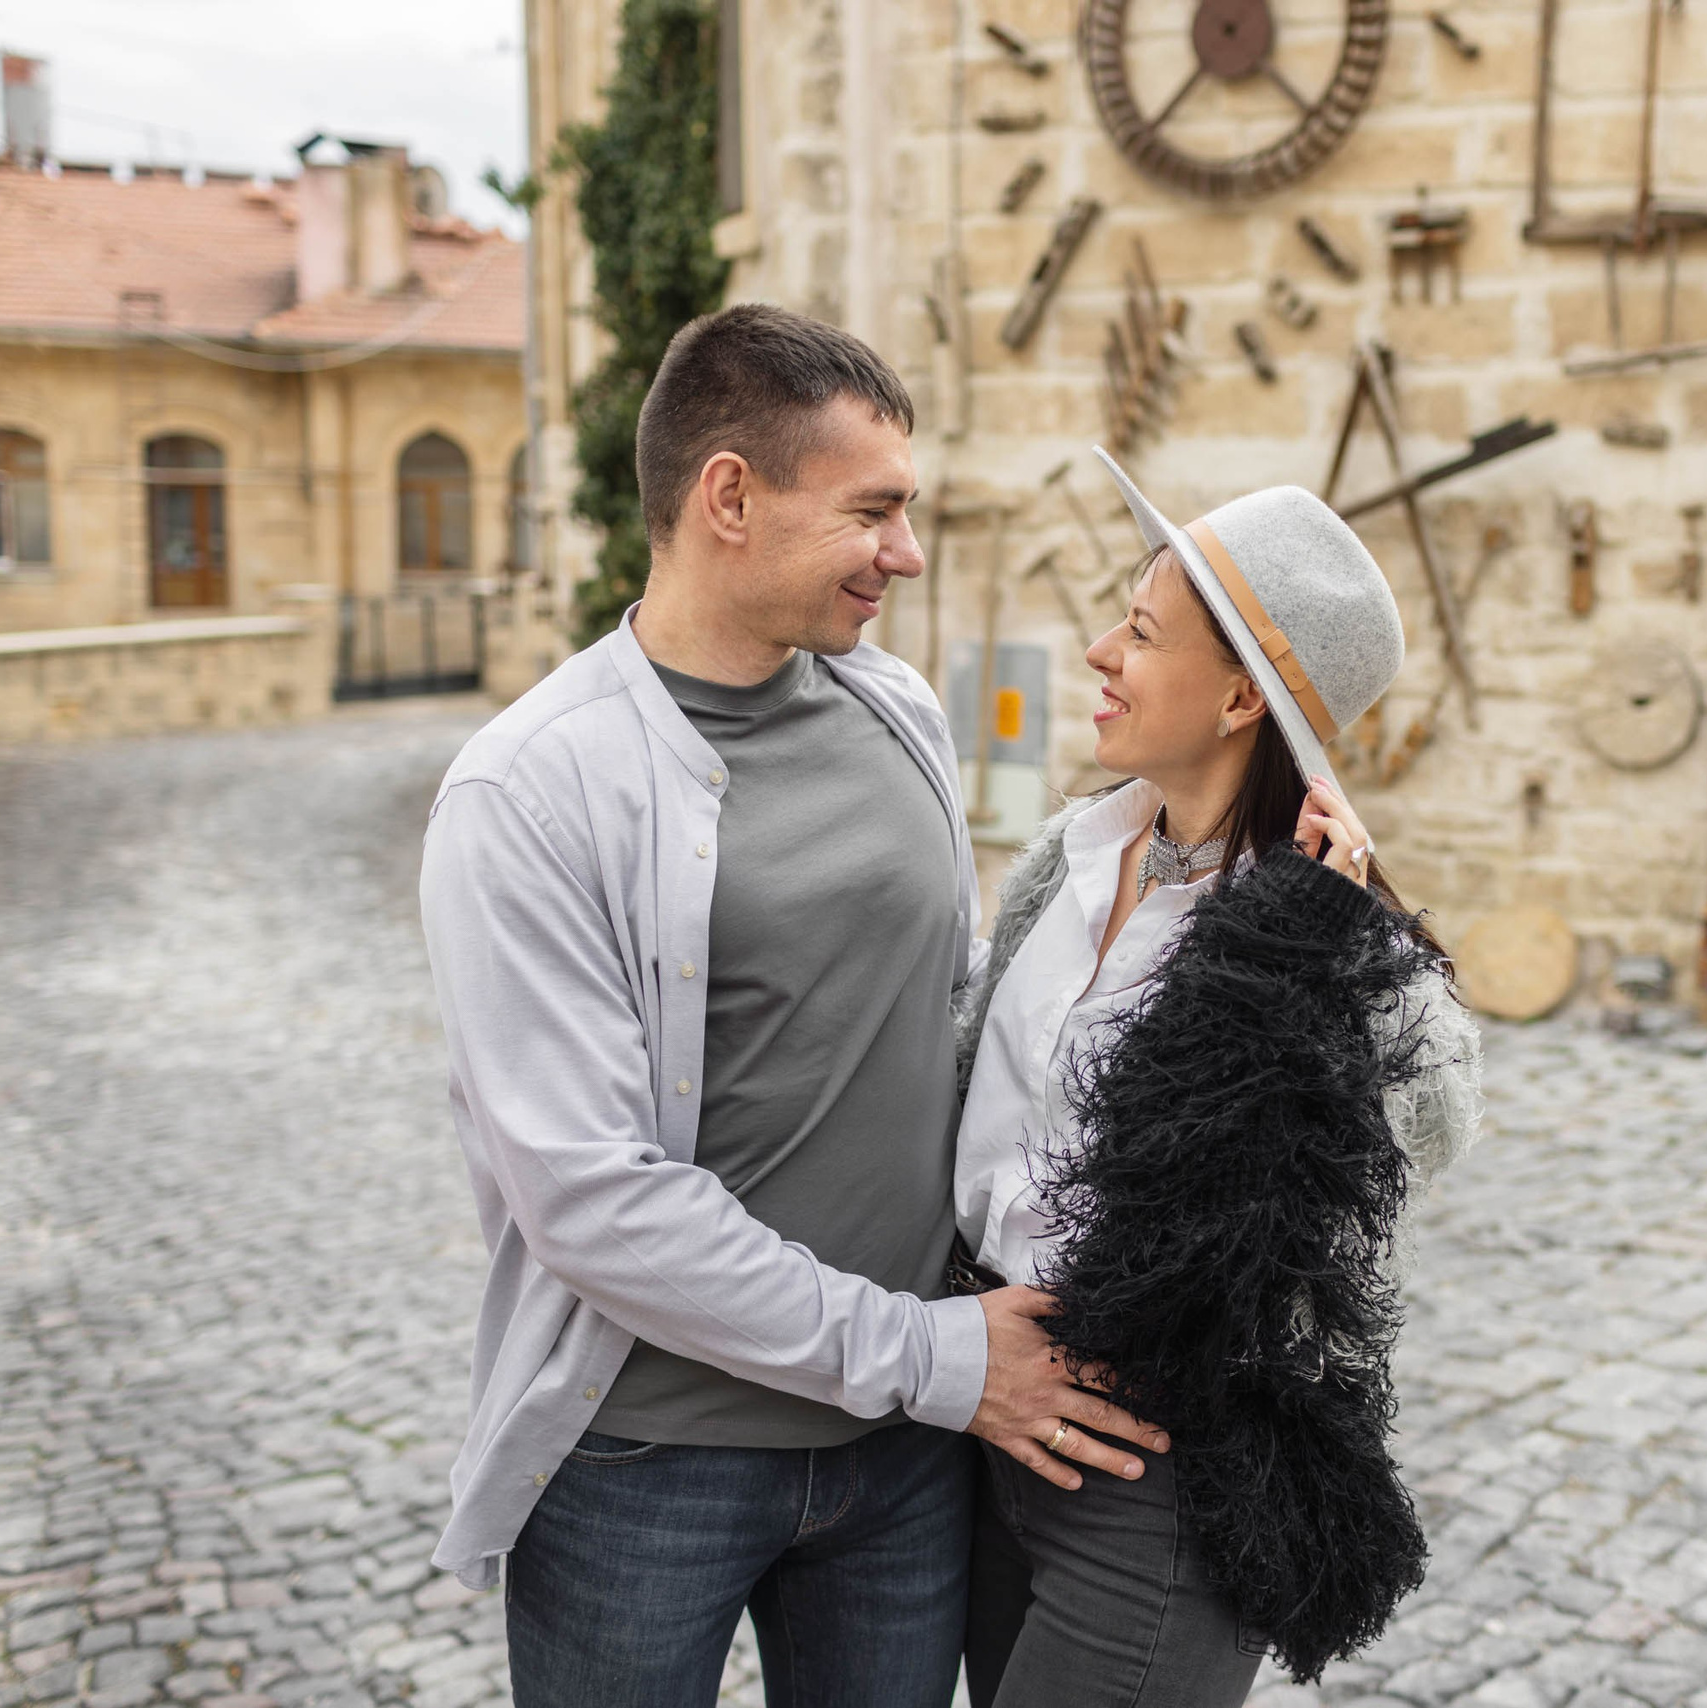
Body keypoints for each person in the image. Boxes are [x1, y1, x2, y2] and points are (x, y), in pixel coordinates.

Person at [416, 305, 1166, 1708]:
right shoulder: (527, 792)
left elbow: (974, 1020)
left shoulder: (898, 711)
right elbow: (588, 1196)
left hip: (899, 1464)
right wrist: (937, 1358)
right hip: (646, 1467)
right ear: (731, 498)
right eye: (873, 510)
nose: (908, 551)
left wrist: (1275, 861)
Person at [951, 452, 1486, 1706]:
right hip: (977, 1422)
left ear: (1243, 695)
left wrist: (1322, 937)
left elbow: (1434, 1119)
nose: (1096, 651)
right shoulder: (1069, 854)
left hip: (1153, 1471)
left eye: (1139, 632)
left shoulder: (1312, 930)